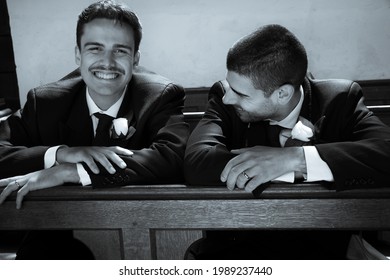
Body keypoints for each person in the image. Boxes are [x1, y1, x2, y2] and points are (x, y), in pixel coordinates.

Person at [0, 0, 188, 259]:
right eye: (95, 49)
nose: (107, 62)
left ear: (136, 58)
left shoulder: (159, 96)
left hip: (142, 233)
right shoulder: (44, 102)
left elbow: (173, 157)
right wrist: (61, 154)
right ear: (78, 54)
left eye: (120, 51)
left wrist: (71, 171)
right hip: (57, 234)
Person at [184, 24, 390, 259]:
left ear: (282, 94)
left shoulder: (341, 99)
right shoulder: (224, 100)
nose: (228, 97)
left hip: (328, 256)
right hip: (241, 253)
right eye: (230, 85)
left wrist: (295, 159)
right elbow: (196, 162)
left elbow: (386, 151)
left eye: (241, 93)